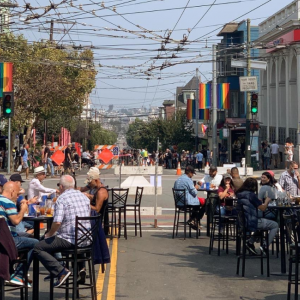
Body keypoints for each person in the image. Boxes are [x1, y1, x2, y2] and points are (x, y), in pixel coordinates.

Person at [33, 175, 91, 288]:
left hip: (71, 240)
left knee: (38, 247)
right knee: (51, 242)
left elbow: (57, 222)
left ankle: (60, 271)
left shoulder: (62, 198)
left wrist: (49, 234)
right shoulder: (84, 197)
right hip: (86, 239)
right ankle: (64, 269)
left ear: (61, 186)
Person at [0, 181, 39, 286]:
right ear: (12, 192)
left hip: (3, 239)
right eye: (17, 194)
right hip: (7, 240)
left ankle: (16, 271)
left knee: (29, 237)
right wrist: (23, 209)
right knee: (37, 244)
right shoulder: (7, 202)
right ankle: (19, 274)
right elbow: (16, 221)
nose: (18, 197)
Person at [236, 178, 279, 255]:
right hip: (251, 221)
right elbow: (262, 208)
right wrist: (266, 201)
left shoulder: (240, 194)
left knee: (262, 222)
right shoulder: (251, 195)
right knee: (275, 225)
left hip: (243, 221)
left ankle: (250, 242)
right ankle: (265, 246)